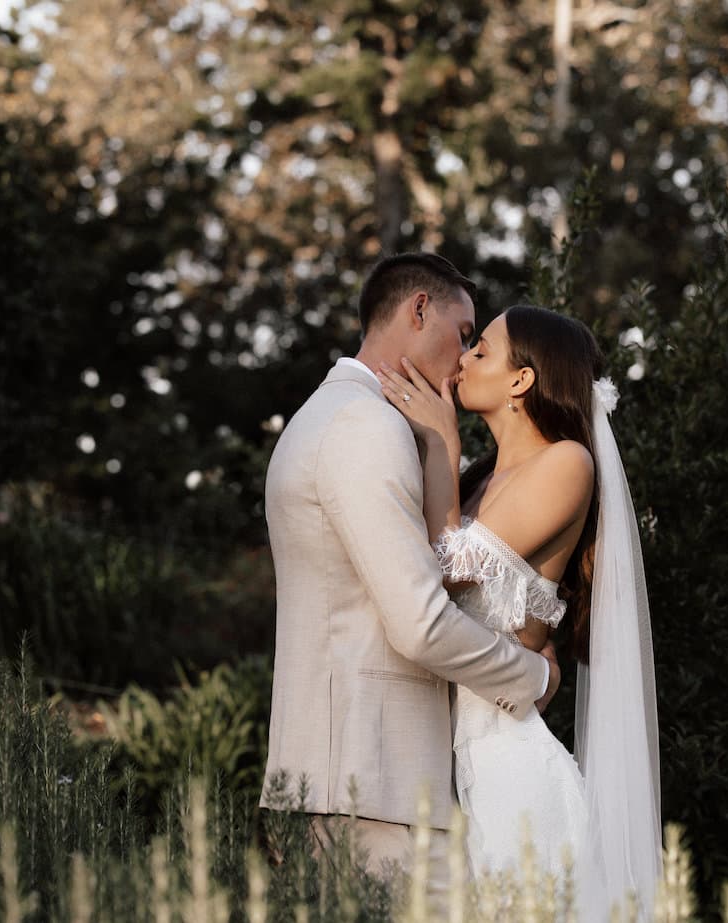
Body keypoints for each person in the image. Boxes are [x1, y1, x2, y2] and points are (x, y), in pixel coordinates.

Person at [259, 254, 560, 907]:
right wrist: (534, 676)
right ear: (418, 310)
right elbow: (420, 621)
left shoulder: (335, 415)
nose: (463, 357)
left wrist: (441, 453)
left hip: (348, 783)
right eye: (463, 331)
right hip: (370, 788)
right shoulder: (364, 426)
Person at [375, 304, 662, 919]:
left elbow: (444, 569)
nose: (463, 358)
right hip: (442, 760)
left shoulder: (567, 463)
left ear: (522, 380)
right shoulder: (476, 480)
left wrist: (441, 438)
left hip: (509, 769)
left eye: (481, 350)